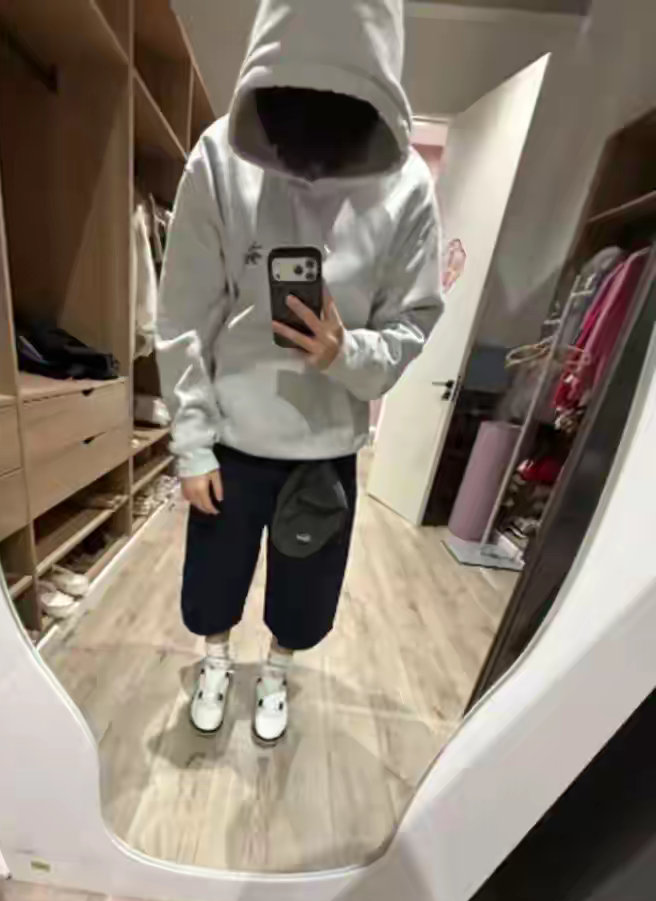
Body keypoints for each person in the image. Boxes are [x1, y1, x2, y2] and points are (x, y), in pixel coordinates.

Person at [156, 0, 444, 745]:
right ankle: (216, 661)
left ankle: (277, 671)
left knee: (305, 594)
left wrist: (343, 353)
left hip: (326, 447)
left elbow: (413, 323)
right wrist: (191, 444)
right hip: (231, 438)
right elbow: (185, 315)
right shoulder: (220, 156)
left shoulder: (407, 184)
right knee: (212, 580)